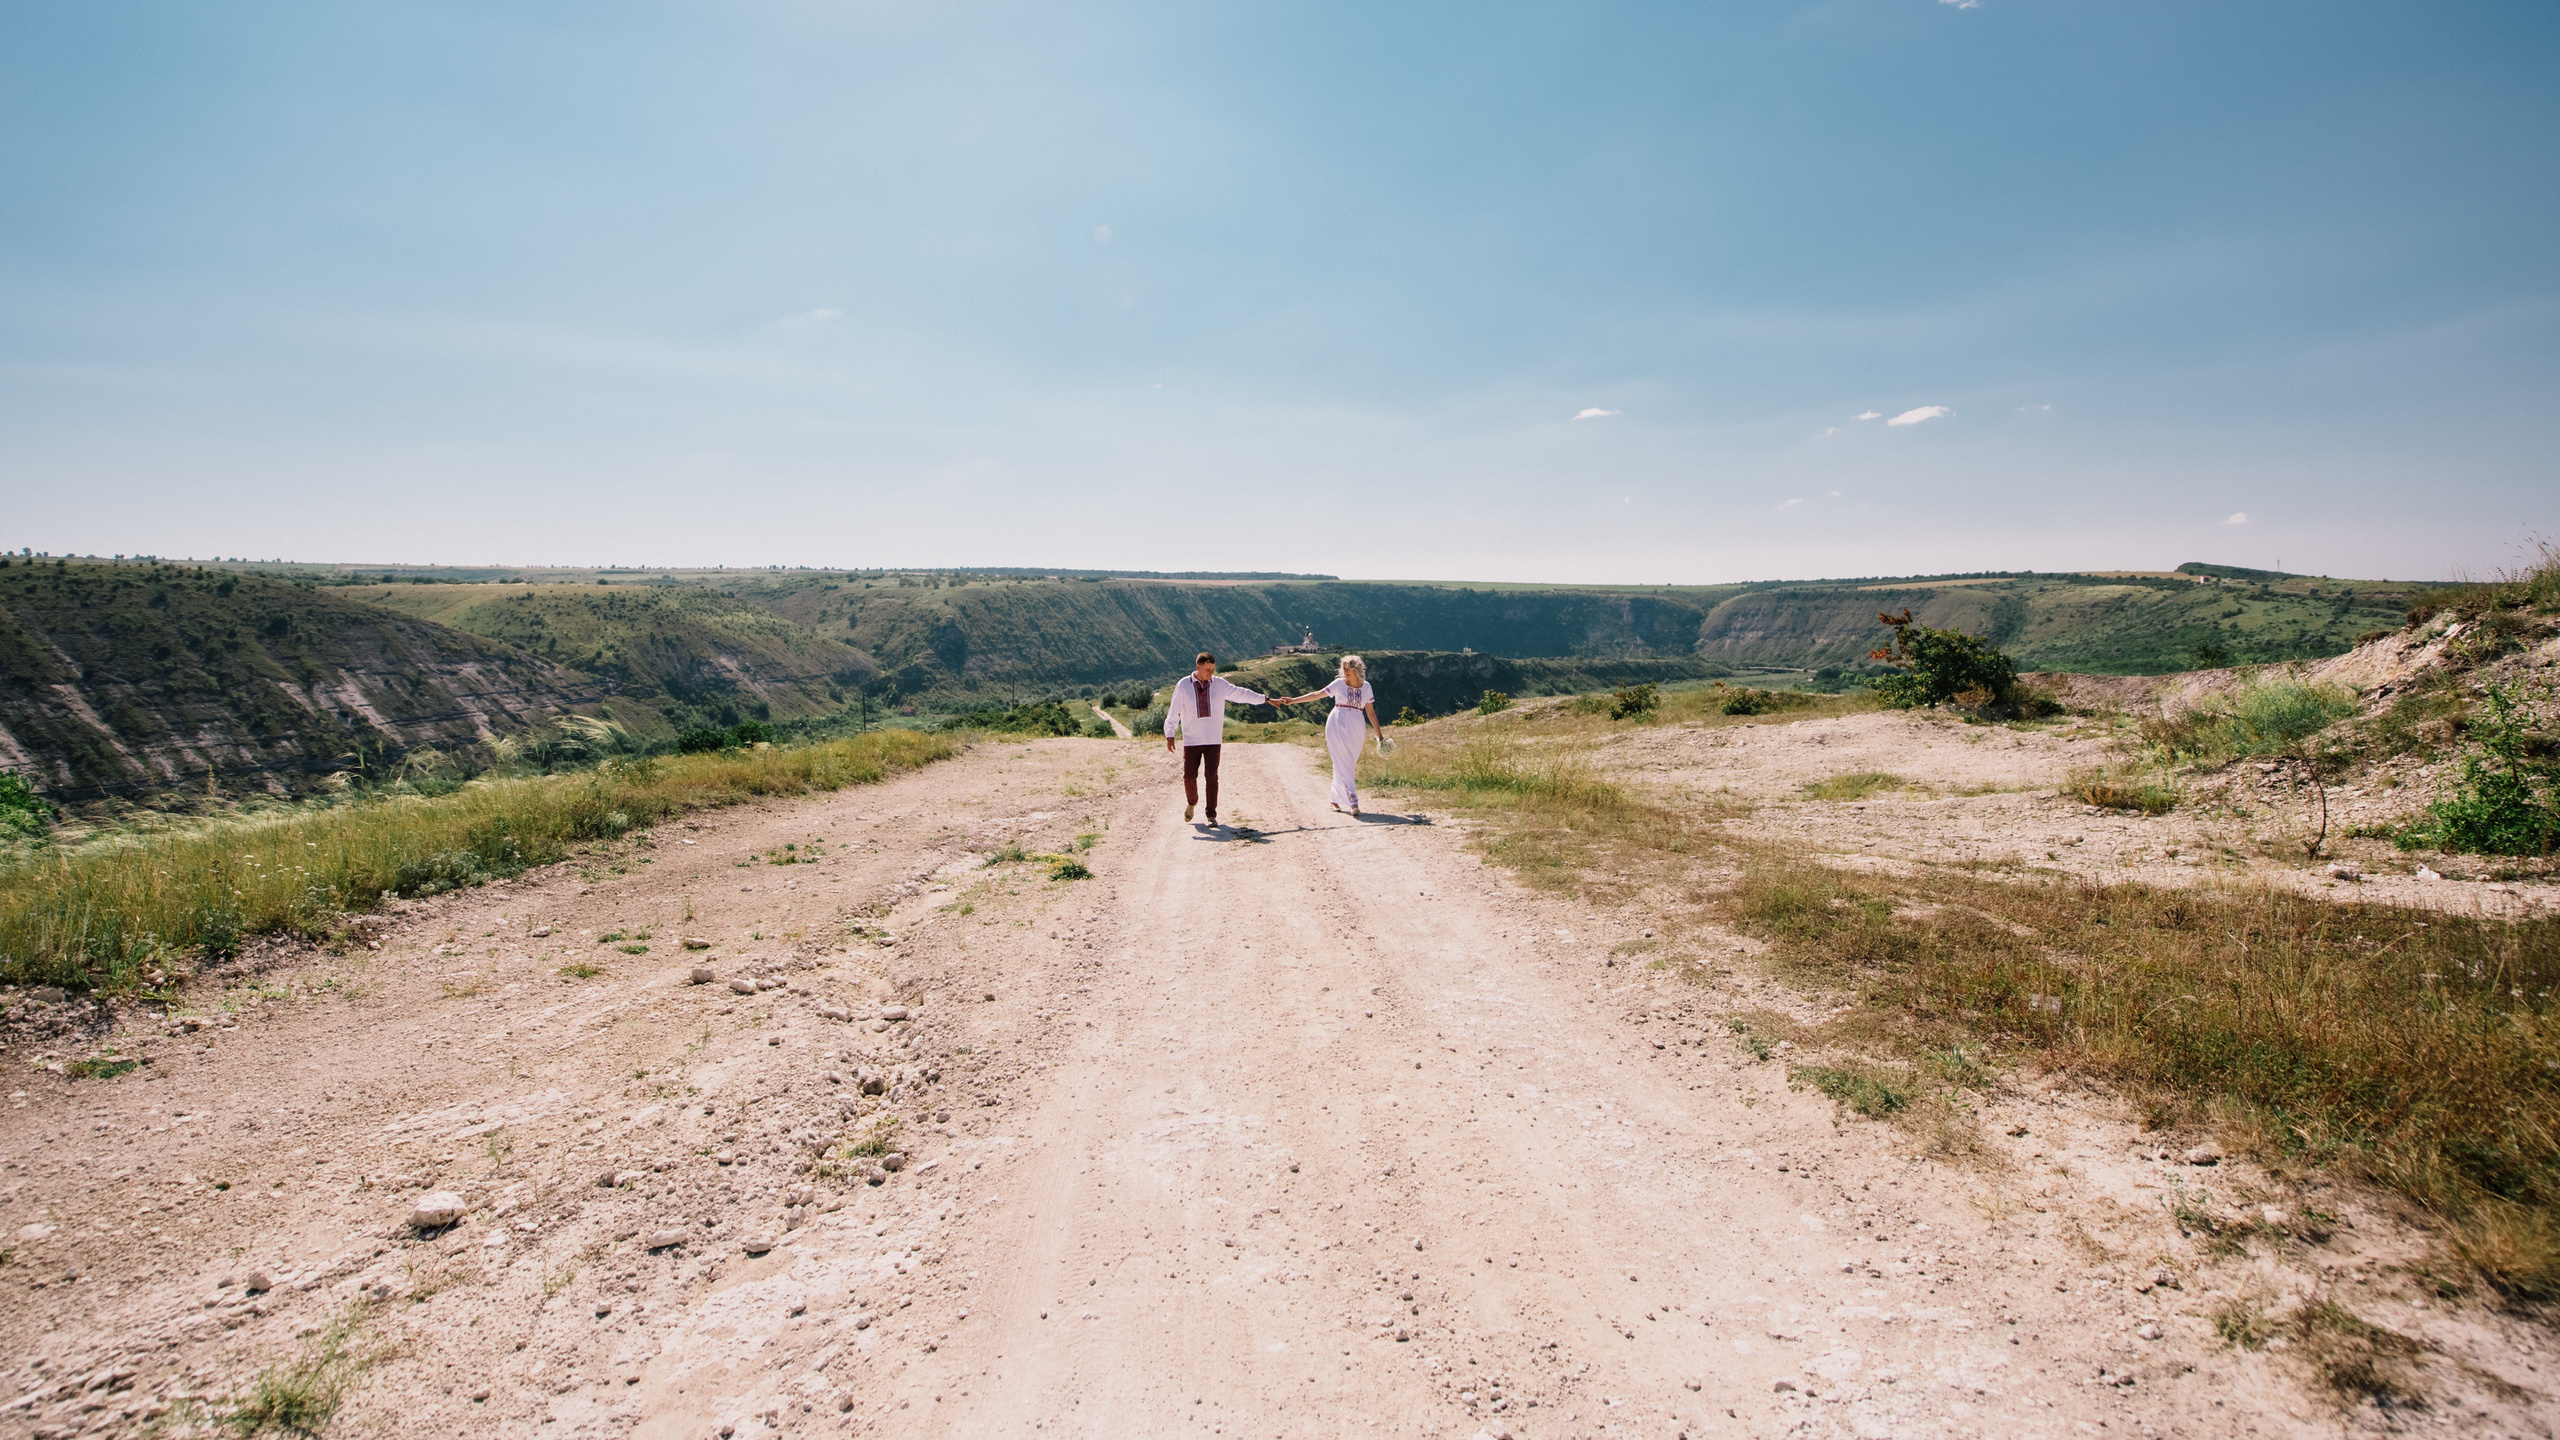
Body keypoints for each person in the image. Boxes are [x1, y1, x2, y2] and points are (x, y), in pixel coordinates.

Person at [1163, 652, 1278, 826]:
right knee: (1188, 777)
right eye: (1208, 670)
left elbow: (1241, 694)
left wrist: (1265, 699)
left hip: (1213, 739)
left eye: (1213, 670)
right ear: (1198, 667)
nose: (1211, 673)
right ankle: (1192, 802)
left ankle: (1211, 815)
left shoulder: (1219, 684)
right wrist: (1170, 733)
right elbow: (1174, 711)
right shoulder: (1183, 685)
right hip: (1192, 739)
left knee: (1212, 777)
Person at [1277, 654, 1381, 814]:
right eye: (1344, 669)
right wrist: (1293, 700)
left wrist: (1380, 736)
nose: (1345, 672)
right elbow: (1316, 694)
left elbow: (1371, 712)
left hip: (1357, 726)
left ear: (1356, 669)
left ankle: (1334, 799)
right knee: (1342, 761)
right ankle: (1353, 801)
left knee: (1349, 762)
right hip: (1337, 723)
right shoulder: (1339, 684)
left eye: (1348, 669)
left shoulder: (1366, 687)